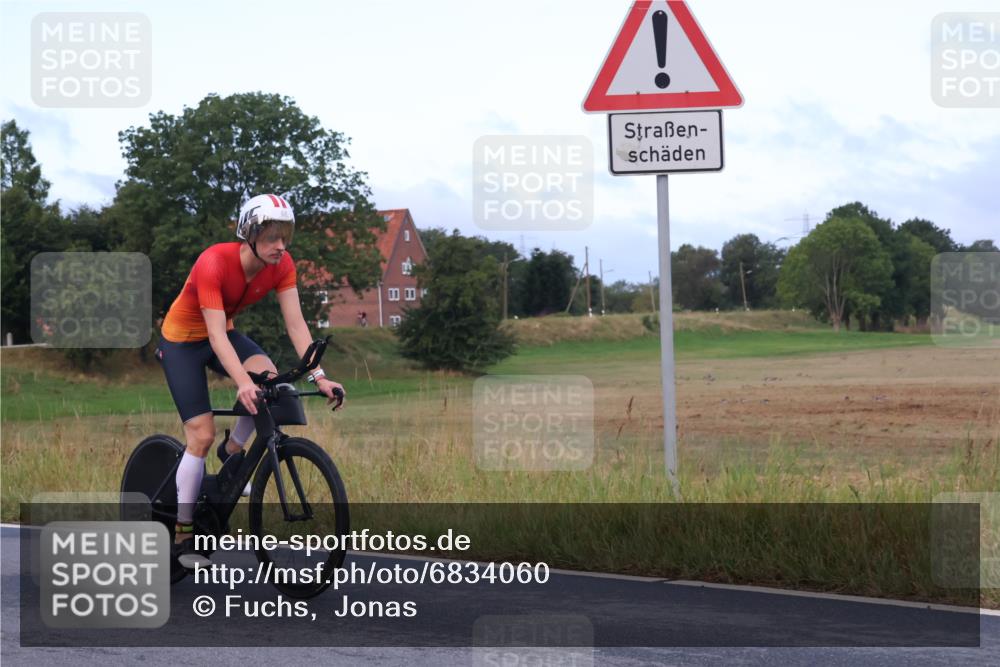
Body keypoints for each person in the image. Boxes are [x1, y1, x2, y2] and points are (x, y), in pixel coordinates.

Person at [155, 193, 345, 568]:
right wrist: (242, 381)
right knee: (202, 435)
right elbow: (215, 338)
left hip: (222, 335)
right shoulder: (213, 262)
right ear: (250, 233)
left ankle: (234, 452)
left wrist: (319, 375)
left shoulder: (282, 265)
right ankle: (182, 531)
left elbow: (295, 324)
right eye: (273, 237)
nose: (281, 246)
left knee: (271, 384)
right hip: (183, 343)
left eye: (285, 236)